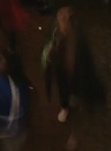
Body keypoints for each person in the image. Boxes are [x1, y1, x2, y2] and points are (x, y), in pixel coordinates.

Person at [44, 8, 105, 149]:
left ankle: (74, 134)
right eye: (59, 16)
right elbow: (52, 48)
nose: (60, 20)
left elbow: (83, 67)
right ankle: (64, 107)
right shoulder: (56, 32)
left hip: (76, 84)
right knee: (64, 96)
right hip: (63, 77)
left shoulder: (78, 42)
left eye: (63, 18)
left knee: (75, 107)